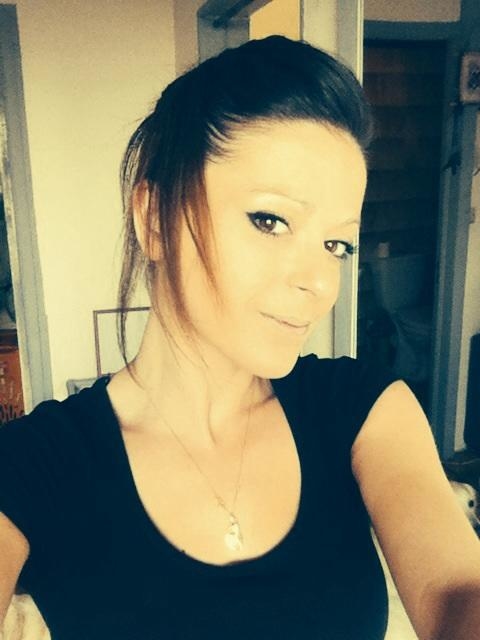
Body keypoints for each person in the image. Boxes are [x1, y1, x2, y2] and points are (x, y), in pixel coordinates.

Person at [0, 35, 479, 640]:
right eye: (270, 220)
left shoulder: (364, 409)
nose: (318, 282)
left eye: (336, 244)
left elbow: (455, 593)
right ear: (154, 219)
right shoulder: (34, 464)